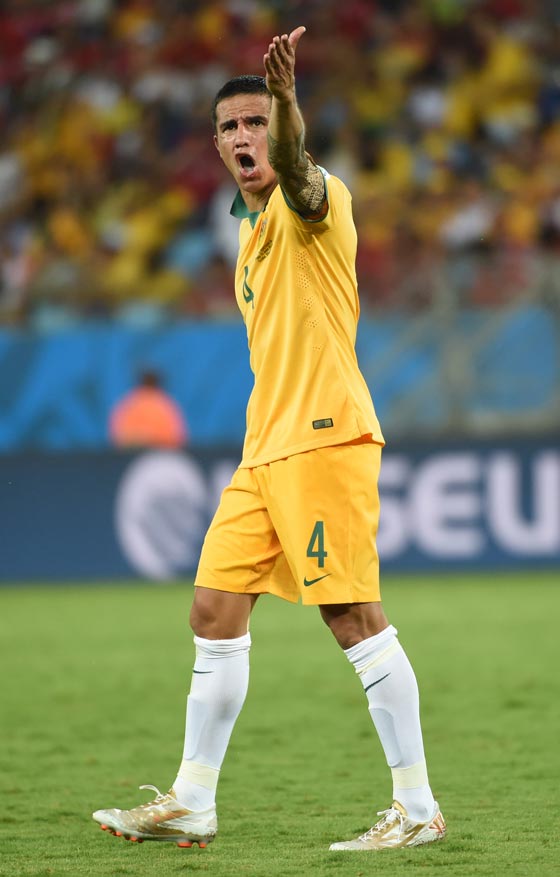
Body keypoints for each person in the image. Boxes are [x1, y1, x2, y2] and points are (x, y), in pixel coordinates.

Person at [93, 27, 446, 852]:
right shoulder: (248, 237)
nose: (245, 136)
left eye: (258, 121)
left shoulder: (312, 201)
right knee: (213, 608)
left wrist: (286, 102)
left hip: (324, 437)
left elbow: (297, 169)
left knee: (353, 617)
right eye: (232, 127)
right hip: (264, 451)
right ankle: (192, 798)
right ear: (216, 145)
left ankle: (418, 806)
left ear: (282, 128)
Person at [108, 369, 189, 449]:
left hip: (149, 451)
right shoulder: (166, 404)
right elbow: (178, 435)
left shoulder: (128, 403)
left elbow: (118, 434)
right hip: (149, 451)